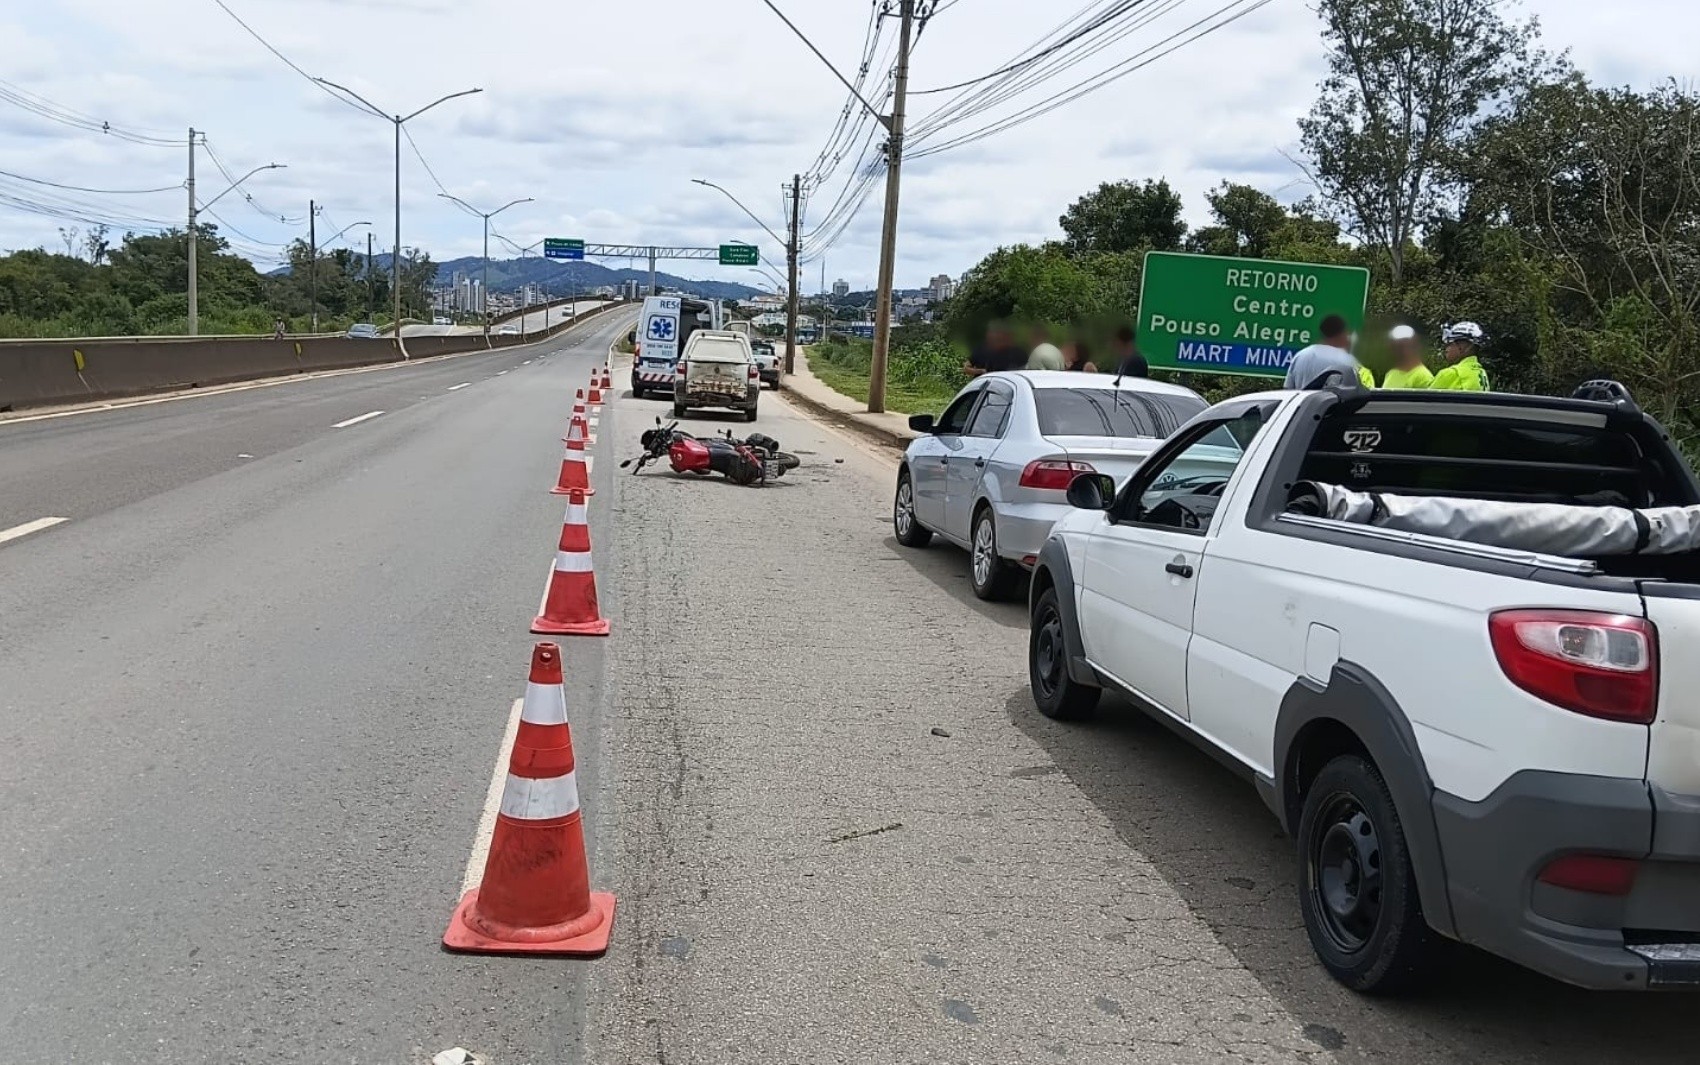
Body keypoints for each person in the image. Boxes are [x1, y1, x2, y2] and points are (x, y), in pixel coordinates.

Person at [1283, 314, 1373, 389]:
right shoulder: (1349, 362)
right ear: (1342, 333)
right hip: (1332, 409)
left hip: (1302, 409)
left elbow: (1287, 391)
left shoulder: (1300, 356)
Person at [1431, 321, 1491, 391]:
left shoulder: (1451, 373)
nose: (1446, 348)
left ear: (1462, 347)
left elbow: (1425, 400)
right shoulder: (1481, 373)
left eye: (1449, 343)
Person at [1381, 324, 1434, 389]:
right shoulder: (1391, 373)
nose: (1399, 350)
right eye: (1396, 346)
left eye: (1402, 346)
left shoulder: (1423, 376)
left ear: (1414, 346)